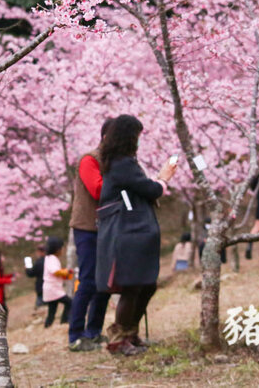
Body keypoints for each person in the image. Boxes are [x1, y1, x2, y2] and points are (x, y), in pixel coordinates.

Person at [96, 114, 177, 356]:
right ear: (128, 138)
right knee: (133, 287)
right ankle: (120, 339)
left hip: (134, 233)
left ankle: (130, 333)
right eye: (137, 136)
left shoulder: (121, 163)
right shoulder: (122, 164)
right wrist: (164, 177)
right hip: (129, 234)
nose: (139, 141)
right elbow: (150, 189)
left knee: (146, 285)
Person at [67, 119, 113, 351]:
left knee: (104, 283)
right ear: (106, 137)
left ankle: (93, 332)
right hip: (87, 227)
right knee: (88, 281)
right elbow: (98, 189)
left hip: (107, 228)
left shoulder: (114, 161)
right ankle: (75, 336)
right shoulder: (89, 159)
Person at [42, 237, 73, 328]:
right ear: (57, 249)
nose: (63, 250)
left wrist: (65, 274)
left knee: (52, 310)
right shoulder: (52, 258)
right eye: (62, 248)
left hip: (51, 288)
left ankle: (48, 326)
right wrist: (66, 272)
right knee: (69, 303)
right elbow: (54, 271)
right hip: (53, 289)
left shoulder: (49, 258)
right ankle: (64, 321)